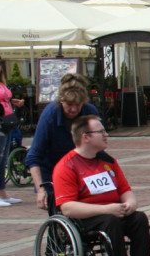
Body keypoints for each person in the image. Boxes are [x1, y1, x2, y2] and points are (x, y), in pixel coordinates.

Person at [52, 115, 150, 256]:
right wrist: (106, 209)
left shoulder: (108, 161)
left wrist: (130, 203)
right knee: (110, 221)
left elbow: (124, 190)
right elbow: (67, 207)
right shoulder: (67, 166)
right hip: (87, 218)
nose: (106, 134)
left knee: (139, 218)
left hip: (113, 211)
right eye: (101, 132)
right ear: (86, 136)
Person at [27, 73, 99, 211]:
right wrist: (41, 189)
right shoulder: (50, 115)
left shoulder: (89, 112)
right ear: (61, 100)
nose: (73, 109)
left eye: (78, 105)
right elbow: (34, 156)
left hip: (81, 169)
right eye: (69, 104)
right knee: (60, 209)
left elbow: (99, 146)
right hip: (52, 169)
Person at [0, 59, 25, 206]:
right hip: (0, 123)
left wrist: (13, 101)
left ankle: (3, 194)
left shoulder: (1, 82)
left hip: (7, 123)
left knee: (3, 160)